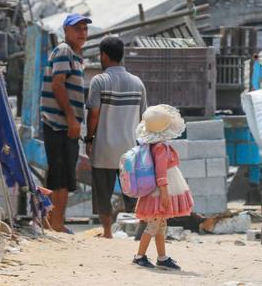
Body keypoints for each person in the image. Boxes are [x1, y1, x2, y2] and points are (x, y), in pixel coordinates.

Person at [85, 36, 147, 239]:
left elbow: (93, 114)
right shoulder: (138, 83)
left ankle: (107, 231)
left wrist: (89, 139)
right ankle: (141, 229)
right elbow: (143, 118)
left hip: (104, 148)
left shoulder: (99, 81)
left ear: (103, 55)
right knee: (134, 189)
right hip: (130, 148)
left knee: (103, 190)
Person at [40, 13, 91, 233]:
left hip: (65, 126)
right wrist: (71, 118)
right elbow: (58, 85)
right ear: (66, 31)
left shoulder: (76, 57)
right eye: (77, 28)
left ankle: (55, 223)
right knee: (59, 178)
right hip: (59, 124)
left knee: (64, 177)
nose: (82, 32)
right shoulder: (64, 52)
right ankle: (55, 225)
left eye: (85, 29)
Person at [132, 104, 194, 270]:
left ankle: (162, 256)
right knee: (153, 225)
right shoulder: (160, 147)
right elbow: (161, 172)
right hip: (160, 191)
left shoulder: (151, 145)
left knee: (160, 225)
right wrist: (165, 193)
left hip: (156, 189)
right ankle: (140, 256)